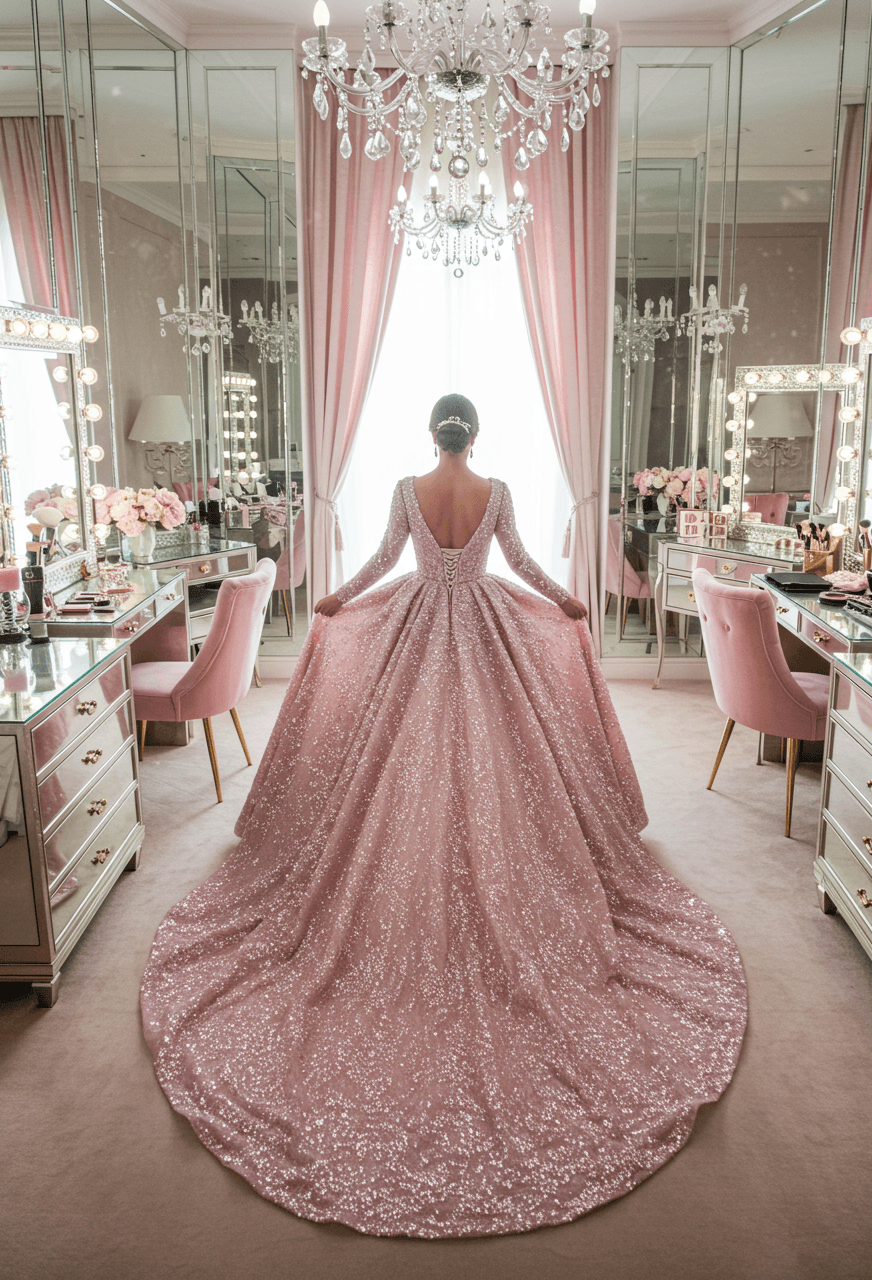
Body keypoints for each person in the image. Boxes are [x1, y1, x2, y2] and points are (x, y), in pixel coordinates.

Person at [141, 393, 747, 1239]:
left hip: (418, 619)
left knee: (395, 743)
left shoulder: (405, 488)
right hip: (487, 622)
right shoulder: (495, 491)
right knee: (506, 741)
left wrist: (335, 598)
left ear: (432, 434)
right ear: (476, 434)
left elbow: (384, 562)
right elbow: (521, 563)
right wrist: (567, 602)